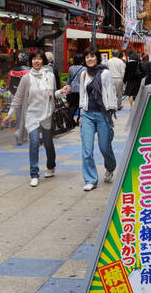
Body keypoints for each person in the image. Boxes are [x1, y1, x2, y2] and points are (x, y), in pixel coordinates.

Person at [59, 49, 116, 191]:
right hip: (88, 115)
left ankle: (110, 167)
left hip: (103, 114)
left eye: (92, 56)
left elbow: (111, 91)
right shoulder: (84, 74)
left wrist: (111, 110)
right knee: (87, 150)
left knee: (104, 147)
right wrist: (81, 113)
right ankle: (91, 179)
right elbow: (83, 95)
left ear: (97, 58)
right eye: (87, 57)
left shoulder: (105, 73)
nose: (90, 59)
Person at [11, 51, 58, 186]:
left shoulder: (50, 76)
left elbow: (53, 94)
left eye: (39, 59)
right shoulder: (26, 78)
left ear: (43, 61)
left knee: (48, 143)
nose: (36, 61)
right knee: (34, 142)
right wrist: (11, 112)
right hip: (31, 114)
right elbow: (18, 97)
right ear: (30, 61)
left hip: (47, 113)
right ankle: (34, 173)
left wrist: (61, 92)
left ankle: (51, 166)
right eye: (34, 59)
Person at [65, 52, 85, 125]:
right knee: (81, 105)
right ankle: (78, 121)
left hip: (72, 90)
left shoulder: (71, 68)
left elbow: (69, 80)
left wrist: (67, 87)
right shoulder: (84, 69)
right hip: (81, 90)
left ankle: (70, 119)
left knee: (73, 105)